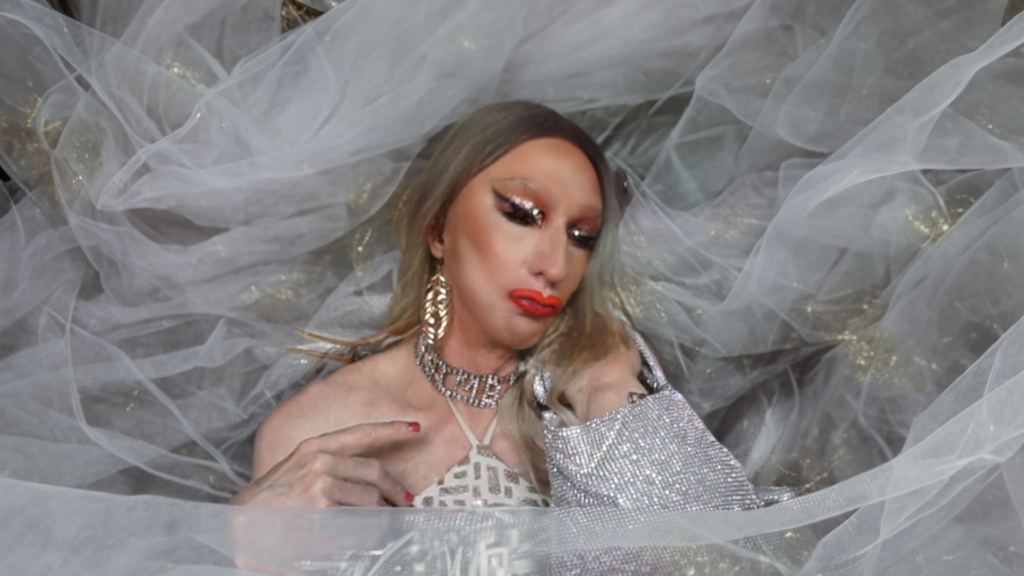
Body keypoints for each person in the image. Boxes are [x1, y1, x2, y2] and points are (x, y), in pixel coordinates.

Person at [2, 1, 1024, 574]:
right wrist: (247, 548)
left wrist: (614, 397)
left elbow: (722, 561)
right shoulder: (326, 431)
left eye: (581, 235)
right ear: (436, 229)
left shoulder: (600, 378)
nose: (554, 261)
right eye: (522, 213)